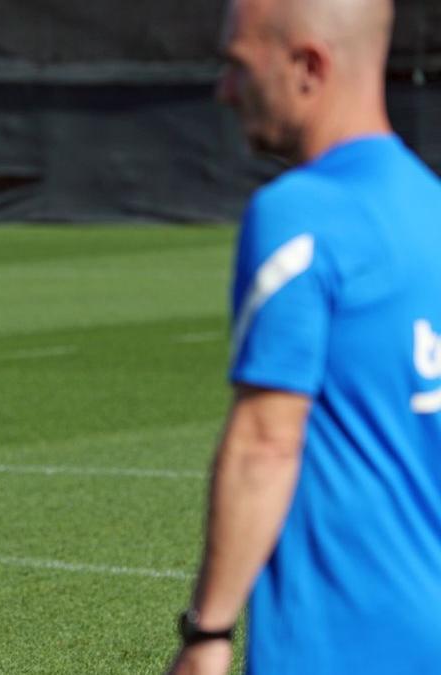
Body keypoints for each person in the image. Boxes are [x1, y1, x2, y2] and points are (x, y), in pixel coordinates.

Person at [169, 0, 441, 673]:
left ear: (307, 67)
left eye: (238, 67)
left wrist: (207, 634)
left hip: (338, 644)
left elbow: (266, 441)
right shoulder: (431, 208)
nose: (223, 91)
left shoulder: (297, 213)